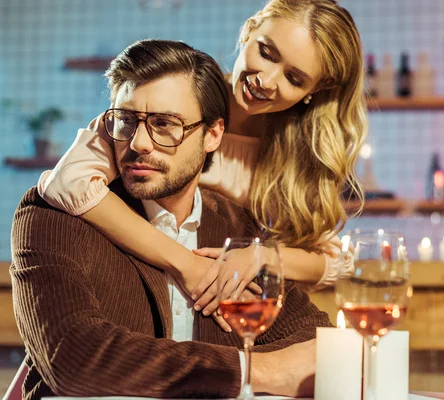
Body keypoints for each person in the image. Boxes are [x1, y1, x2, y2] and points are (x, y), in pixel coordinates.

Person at [11, 39, 331, 400]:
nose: (139, 143)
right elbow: (75, 361)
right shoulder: (52, 217)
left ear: (213, 135)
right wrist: (260, 370)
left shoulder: (237, 227)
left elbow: (314, 341)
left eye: (165, 124)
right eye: (126, 120)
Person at [36, 0, 367, 319]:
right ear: (249, 31)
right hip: (131, 298)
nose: (265, 81)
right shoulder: (176, 102)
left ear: (313, 92)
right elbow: (67, 181)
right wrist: (187, 265)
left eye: (294, 78)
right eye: (266, 52)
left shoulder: (296, 153)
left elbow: (336, 262)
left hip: (223, 322)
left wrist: (262, 256)